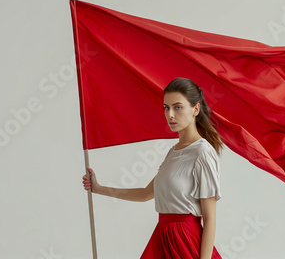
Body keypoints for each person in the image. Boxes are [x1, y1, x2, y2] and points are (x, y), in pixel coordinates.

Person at [82, 77, 224, 259]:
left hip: (187, 241)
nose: (170, 114)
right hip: (162, 238)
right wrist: (99, 189)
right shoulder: (173, 152)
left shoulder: (203, 153)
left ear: (195, 109)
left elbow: (210, 218)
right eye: (166, 107)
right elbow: (145, 194)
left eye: (177, 107)